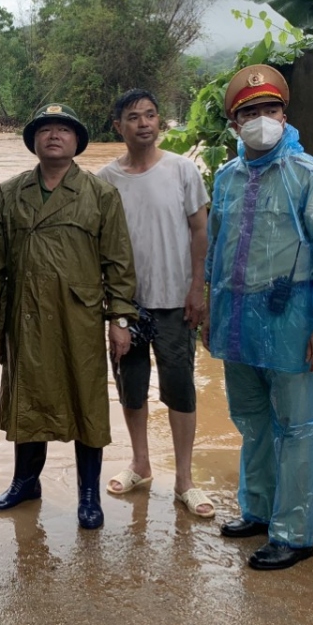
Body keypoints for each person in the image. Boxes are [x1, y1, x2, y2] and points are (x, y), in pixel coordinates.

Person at [205, 64, 313, 571]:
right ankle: (259, 510)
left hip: (291, 316)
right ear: (233, 121)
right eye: (249, 112)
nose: (260, 118)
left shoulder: (310, 175)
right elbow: (217, 249)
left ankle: (293, 533)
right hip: (237, 316)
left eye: (269, 109)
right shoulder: (226, 177)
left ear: (285, 114)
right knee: (251, 419)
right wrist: (210, 310)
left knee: (298, 425)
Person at [0, 102, 137, 529]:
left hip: (78, 319)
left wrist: (120, 320)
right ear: (33, 141)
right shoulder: (9, 193)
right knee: (28, 400)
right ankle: (25, 482)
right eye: (45, 129)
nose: (54, 135)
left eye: (64, 129)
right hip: (24, 317)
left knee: (86, 401)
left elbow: (118, 262)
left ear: (77, 142)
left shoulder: (100, 194)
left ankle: (88, 494)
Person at [96, 88, 214, 518]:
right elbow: (98, 246)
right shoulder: (105, 180)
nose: (144, 123)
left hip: (174, 301)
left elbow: (200, 232)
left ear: (159, 122)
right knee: (131, 386)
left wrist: (197, 287)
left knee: (180, 389)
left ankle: (184, 479)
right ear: (118, 126)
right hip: (126, 305)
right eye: (133, 116)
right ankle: (140, 464)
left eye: (150, 115)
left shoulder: (183, 170)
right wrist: (112, 308)